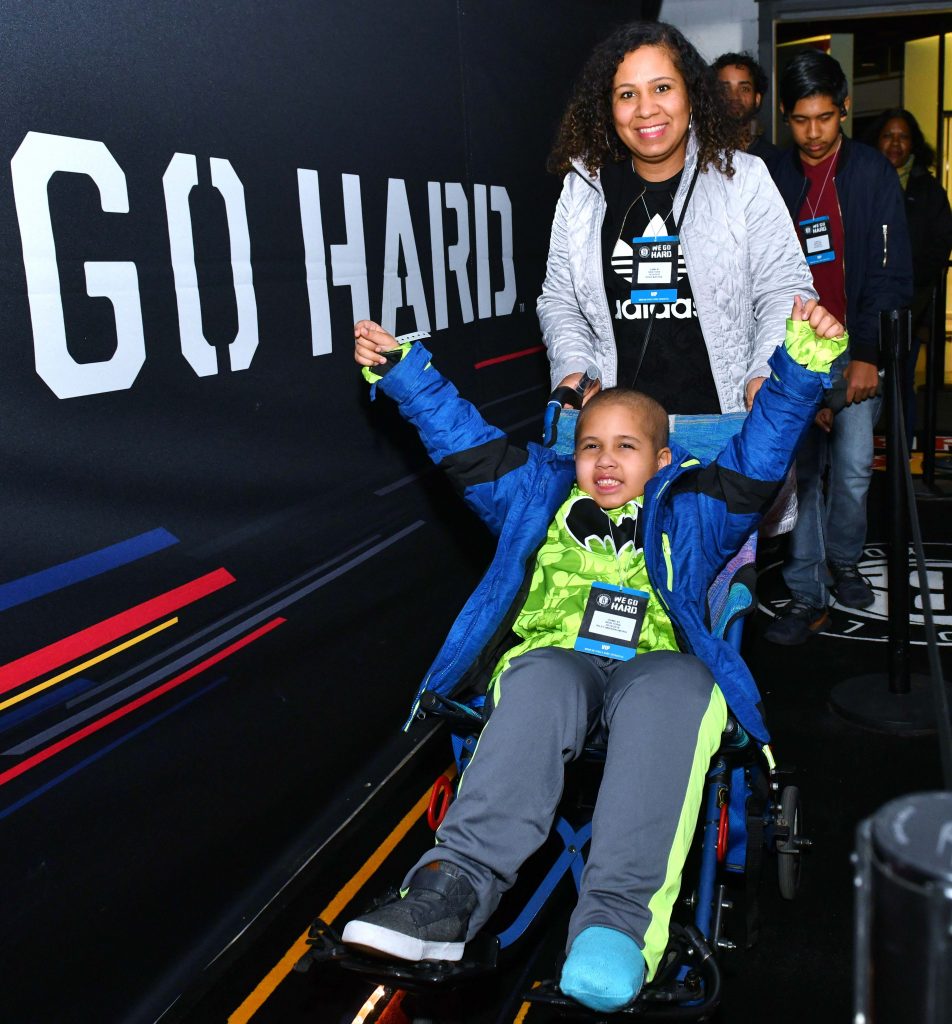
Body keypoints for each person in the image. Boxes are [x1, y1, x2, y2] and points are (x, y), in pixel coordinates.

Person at [342, 298, 846, 1014]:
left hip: (652, 670)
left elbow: (761, 452)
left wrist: (800, 366)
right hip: (564, 663)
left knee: (678, 685)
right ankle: (445, 895)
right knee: (539, 675)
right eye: (589, 446)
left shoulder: (696, 506)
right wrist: (403, 373)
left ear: (664, 458)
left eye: (626, 446)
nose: (605, 461)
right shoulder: (535, 493)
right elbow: (462, 440)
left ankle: (615, 927)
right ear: (571, 454)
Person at [537, 21, 815, 422]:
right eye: (627, 94)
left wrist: (764, 374)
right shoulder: (583, 188)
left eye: (662, 88)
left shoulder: (744, 179)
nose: (646, 108)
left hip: (730, 429)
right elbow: (560, 300)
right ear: (609, 108)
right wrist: (575, 369)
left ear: (692, 94)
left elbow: (785, 291)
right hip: (620, 438)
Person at [765, 51, 912, 643]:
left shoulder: (871, 173)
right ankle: (806, 593)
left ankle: (845, 561)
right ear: (785, 116)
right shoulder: (769, 172)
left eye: (826, 117)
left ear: (844, 109)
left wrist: (868, 353)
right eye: (802, 120)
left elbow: (889, 271)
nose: (815, 132)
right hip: (791, 359)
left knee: (851, 474)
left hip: (854, 354)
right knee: (799, 479)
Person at [867, 108, 952, 442]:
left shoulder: (928, 190)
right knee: (862, 382)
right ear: (877, 140)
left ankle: (903, 452)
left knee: (902, 381)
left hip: (911, 308)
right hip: (864, 308)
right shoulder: (863, 181)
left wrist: (916, 308)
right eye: (889, 135)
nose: (896, 143)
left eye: (903, 136)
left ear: (913, 143)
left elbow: (937, 249)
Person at [712, 51, 780, 163]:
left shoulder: (774, 161)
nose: (734, 97)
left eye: (744, 89)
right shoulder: (697, 157)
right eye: (724, 89)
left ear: (757, 99)